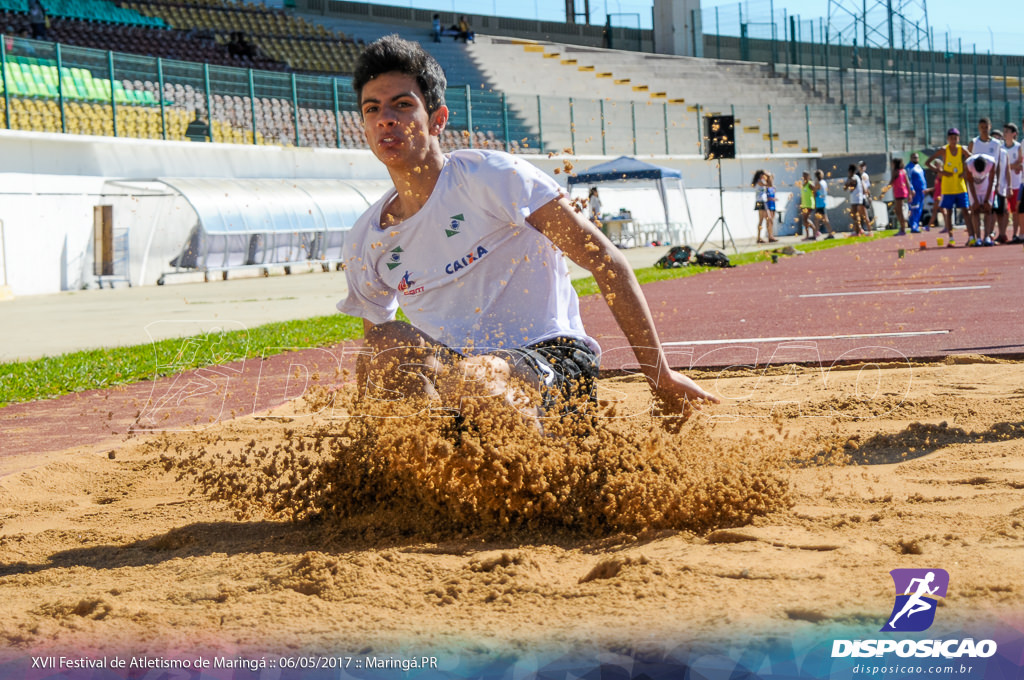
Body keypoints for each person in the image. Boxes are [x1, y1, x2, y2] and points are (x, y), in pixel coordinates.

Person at [337, 35, 717, 428]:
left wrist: (661, 377)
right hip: (458, 378)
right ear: (365, 127)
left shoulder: (492, 177)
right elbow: (377, 362)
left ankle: (543, 478)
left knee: (477, 379)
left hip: (551, 357)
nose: (386, 118)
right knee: (386, 343)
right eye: (372, 109)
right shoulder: (367, 239)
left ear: (438, 119)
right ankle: (400, 481)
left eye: (403, 105)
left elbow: (606, 261)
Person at [926, 128, 972, 242]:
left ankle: (971, 236)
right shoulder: (943, 150)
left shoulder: (962, 149)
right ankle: (951, 238)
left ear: (958, 139)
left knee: (965, 211)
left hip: (960, 186)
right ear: (948, 139)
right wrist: (940, 172)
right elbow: (927, 162)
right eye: (951, 138)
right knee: (949, 212)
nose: (953, 140)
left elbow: (973, 159)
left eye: (955, 138)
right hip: (948, 187)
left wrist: (965, 171)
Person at [967, 118, 1001, 244]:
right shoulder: (973, 143)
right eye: (982, 127)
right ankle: (977, 237)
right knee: (974, 209)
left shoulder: (997, 144)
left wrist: (997, 183)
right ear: (978, 128)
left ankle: (987, 236)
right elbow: (968, 166)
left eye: (986, 127)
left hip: (989, 181)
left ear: (990, 127)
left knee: (989, 208)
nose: (984, 129)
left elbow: (997, 165)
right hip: (975, 181)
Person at [965, 153, 997, 246]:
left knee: (988, 210)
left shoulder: (991, 163)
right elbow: (970, 182)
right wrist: (975, 201)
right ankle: (978, 238)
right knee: (975, 211)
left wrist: (987, 200)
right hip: (974, 188)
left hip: (986, 186)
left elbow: (991, 181)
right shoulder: (968, 164)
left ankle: (987, 236)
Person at [995, 125, 1020, 243]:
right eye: (1004, 131)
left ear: (1014, 133)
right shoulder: (1001, 149)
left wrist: (1013, 166)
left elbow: (1020, 164)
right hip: (1004, 185)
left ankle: (1015, 234)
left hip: (1017, 184)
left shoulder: (1018, 147)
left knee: (1016, 211)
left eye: (1007, 131)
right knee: (1004, 211)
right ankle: (1002, 233)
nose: (1004, 134)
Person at [906, 152, 927, 233]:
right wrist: (911, 189)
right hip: (915, 191)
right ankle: (913, 226)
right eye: (914, 157)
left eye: (917, 157)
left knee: (919, 209)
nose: (916, 159)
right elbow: (908, 179)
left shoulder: (918, 166)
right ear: (911, 158)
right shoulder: (909, 167)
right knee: (914, 208)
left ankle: (916, 224)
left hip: (921, 191)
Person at [845, 164, 867, 236]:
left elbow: (846, 187)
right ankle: (859, 229)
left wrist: (848, 179)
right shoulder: (857, 177)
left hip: (856, 200)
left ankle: (858, 232)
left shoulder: (853, 179)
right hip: (857, 199)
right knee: (854, 215)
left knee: (855, 215)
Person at [890, 157, 909, 235]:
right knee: (897, 210)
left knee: (899, 211)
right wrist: (910, 193)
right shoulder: (903, 171)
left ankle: (903, 229)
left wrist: (884, 191)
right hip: (902, 192)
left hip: (899, 193)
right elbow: (907, 183)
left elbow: (891, 182)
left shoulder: (895, 172)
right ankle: (902, 227)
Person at [812, 169, 834, 239]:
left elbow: (814, 192)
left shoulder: (818, 183)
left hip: (819, 203)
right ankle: (816, 234)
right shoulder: (824, 182)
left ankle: (816, 235)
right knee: (819, 220)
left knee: (820, 220)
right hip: (823, 202)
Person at [751, 169, 771, 244]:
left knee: (768, 219)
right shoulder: (760, 181)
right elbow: (769, 185)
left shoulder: (759, 181)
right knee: (762, 220)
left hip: (762, 201)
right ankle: (759, 238)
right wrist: (769, 177)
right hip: (761, 201)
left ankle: (768, 236)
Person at [798, 171, 814, 238]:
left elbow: (815, 192)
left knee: (805, 219)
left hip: (809, 204)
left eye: (806, 175)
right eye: (803, 175)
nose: (804, 177)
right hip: (804, 204)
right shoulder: (803, 185)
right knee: (804, 220)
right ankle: (808, 234)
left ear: (808, 176)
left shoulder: (810, 184)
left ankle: (814, 230)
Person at [858, 160, 873, 232]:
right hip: (859, 197)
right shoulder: (858, 175)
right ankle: (861, 229)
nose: (861, 167)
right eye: (860, 166)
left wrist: (869, 196)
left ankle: (869, 229)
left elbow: (866, 188)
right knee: (859, 214)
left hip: (862, 197)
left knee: (864, 214)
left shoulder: (864, 176)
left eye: (862, 166)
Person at [764, 172, 778, 241]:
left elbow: (773, 196)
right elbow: (765, 197)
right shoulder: (766, 187)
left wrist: (774, 199)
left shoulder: (773, 187)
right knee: (769, 221)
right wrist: (771, 199)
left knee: (771, 221)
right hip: (768, 205)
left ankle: (771, 236)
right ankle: (770, 236)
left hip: (773, 205)